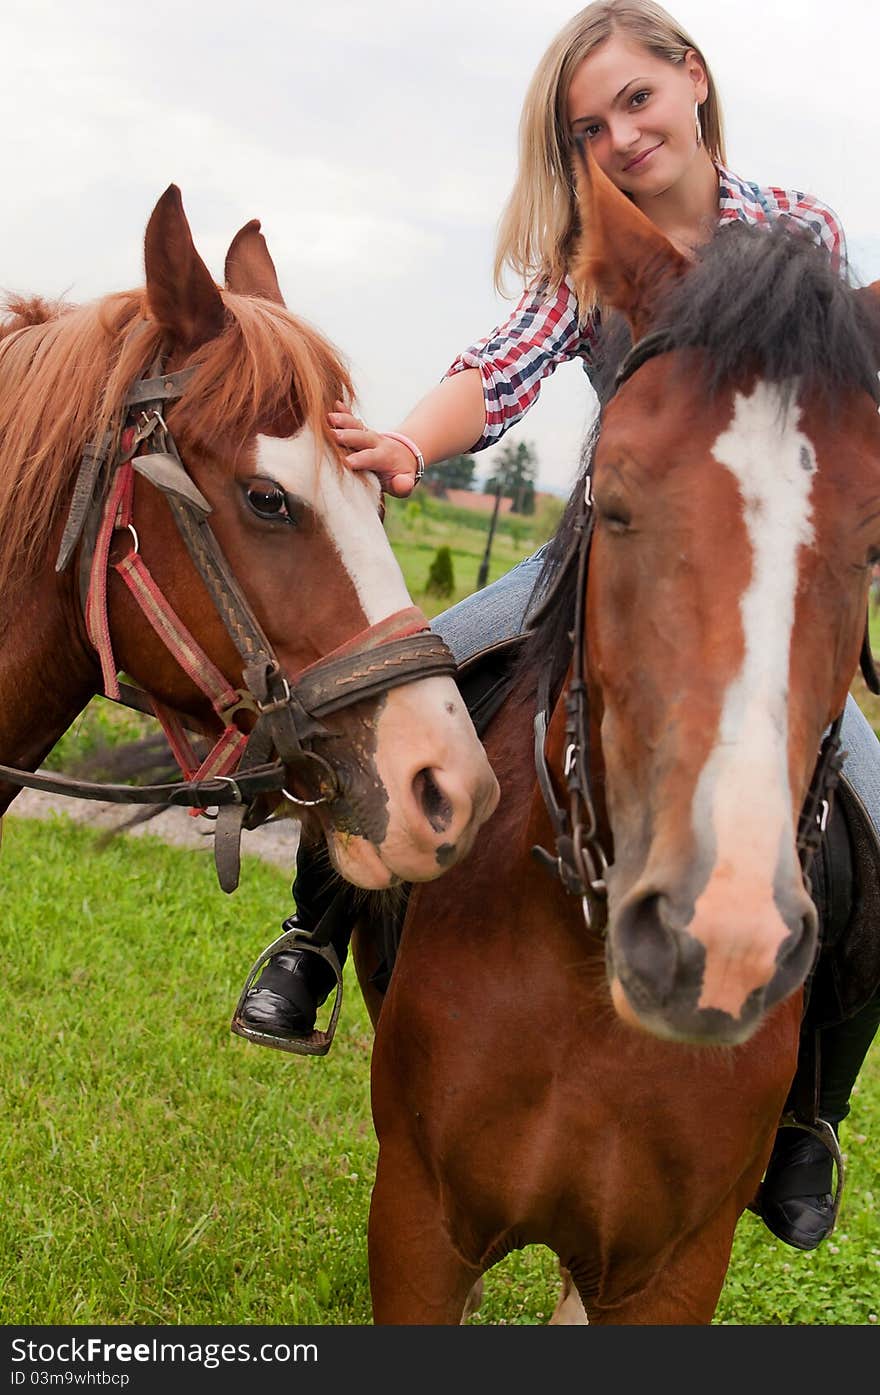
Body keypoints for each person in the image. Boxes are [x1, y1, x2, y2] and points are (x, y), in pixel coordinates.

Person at [236, 0, 880, 1251]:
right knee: (393, 689)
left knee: (879, 807)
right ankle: (312, 935)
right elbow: (506, 364)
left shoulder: (795, 227)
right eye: (588, 125)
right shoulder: (590, 258)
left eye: (636, 100)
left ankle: (808, 1113)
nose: (621, 136)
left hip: (751, 579)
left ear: (692, 81)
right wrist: (406, 444)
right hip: (603, 559)